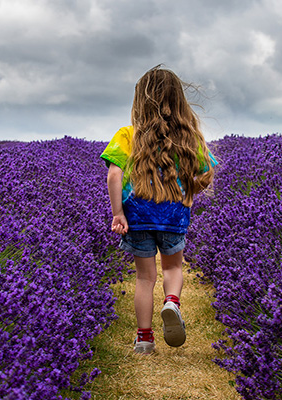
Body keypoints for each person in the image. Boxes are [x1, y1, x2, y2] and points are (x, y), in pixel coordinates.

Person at [100, 65, 217, 354]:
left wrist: (118, 213)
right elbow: (206, 174)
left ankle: (144, 338)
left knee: (144, 277)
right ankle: (171, 302)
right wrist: (186, 192)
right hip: (173, 216)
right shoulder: (188, 136)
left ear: (140, 100)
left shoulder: (128, 135)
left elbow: (114, 175)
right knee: (173, 267)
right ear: (179, 101)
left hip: (137, 218)